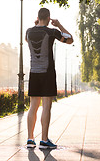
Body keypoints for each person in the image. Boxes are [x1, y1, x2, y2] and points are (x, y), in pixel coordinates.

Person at [25, 8, 73, 149]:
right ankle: (44, 140)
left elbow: (29, 41)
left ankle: (30, 139)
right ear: (49, 17)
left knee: (32, 107)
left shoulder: (28, 31)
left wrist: (38, 25)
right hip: (47, 73)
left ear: (38, 16)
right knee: (46, 106)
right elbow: (70, 39)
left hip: (34, 72)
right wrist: (58, 25)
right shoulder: (52, 32)